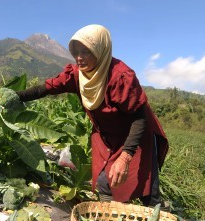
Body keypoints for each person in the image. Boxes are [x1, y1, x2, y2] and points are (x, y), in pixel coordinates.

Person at [14, 25, 169, 210]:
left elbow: (140, 118)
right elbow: (44, 89)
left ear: (100, 51)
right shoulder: (77, 75)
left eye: (86, 51)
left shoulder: (119, 77)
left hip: (135, 136)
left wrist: (126, 157)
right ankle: (112, 218)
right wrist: (10, 96)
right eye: (76, 51)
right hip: (106, 137)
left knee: (146, 189)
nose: (79, 57)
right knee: (105, 182)